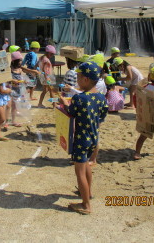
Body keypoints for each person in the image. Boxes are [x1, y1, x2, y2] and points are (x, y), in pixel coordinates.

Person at [59, 62, 108, 215]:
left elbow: (71, 113)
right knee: (86, 165)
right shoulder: (101, 97)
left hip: (81, 139)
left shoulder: (79, 98)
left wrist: (64, 102)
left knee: (79, 171)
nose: (77, 79)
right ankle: (88, 193)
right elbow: (102, 116)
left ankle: (85, 205)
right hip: (93, 138)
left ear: (86, 79)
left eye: (79, 77)